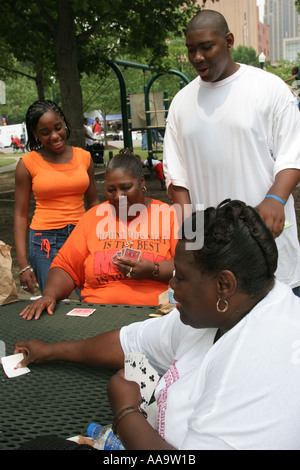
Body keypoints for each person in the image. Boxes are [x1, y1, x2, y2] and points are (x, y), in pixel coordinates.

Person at [14, 200, 300, 450]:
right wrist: (49, 351)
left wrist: (126, 413)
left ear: (223, 285)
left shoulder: (253, 364)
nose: (171, 284)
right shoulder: (222, 312)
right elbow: (130, 343)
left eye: (182, 277)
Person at [163, 10, 300, 296]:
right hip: (215, 259)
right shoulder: (181, 103)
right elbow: (178, 180)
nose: (197, 57)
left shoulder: (269, 88)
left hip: (271, 249)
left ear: (228, 41)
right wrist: (191, 234)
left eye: (206, 47)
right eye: (191, 50)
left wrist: (275, 199)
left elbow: (292, 153)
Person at [18, 149, 177, 320]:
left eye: (126, 188)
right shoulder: (94, 217)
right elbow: (66, 267)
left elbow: (190, 266)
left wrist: (153, 270)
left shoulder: (168, 215)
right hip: (97, 315)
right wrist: (49, 294)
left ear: (141, 181)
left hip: (155, 315)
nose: (119, 197)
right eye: (111, 190)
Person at [14, 100, 100, 296]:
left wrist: (102, 236)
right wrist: (23, 265)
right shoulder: (27, 164)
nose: (54, 136)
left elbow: (94, 203)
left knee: (90, 298)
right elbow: (20, 215)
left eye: (58, 128)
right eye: (45, 133)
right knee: (52, 302)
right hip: (45, 241)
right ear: (35, 134)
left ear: (64, 123)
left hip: (82, 236)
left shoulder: (84, 157)